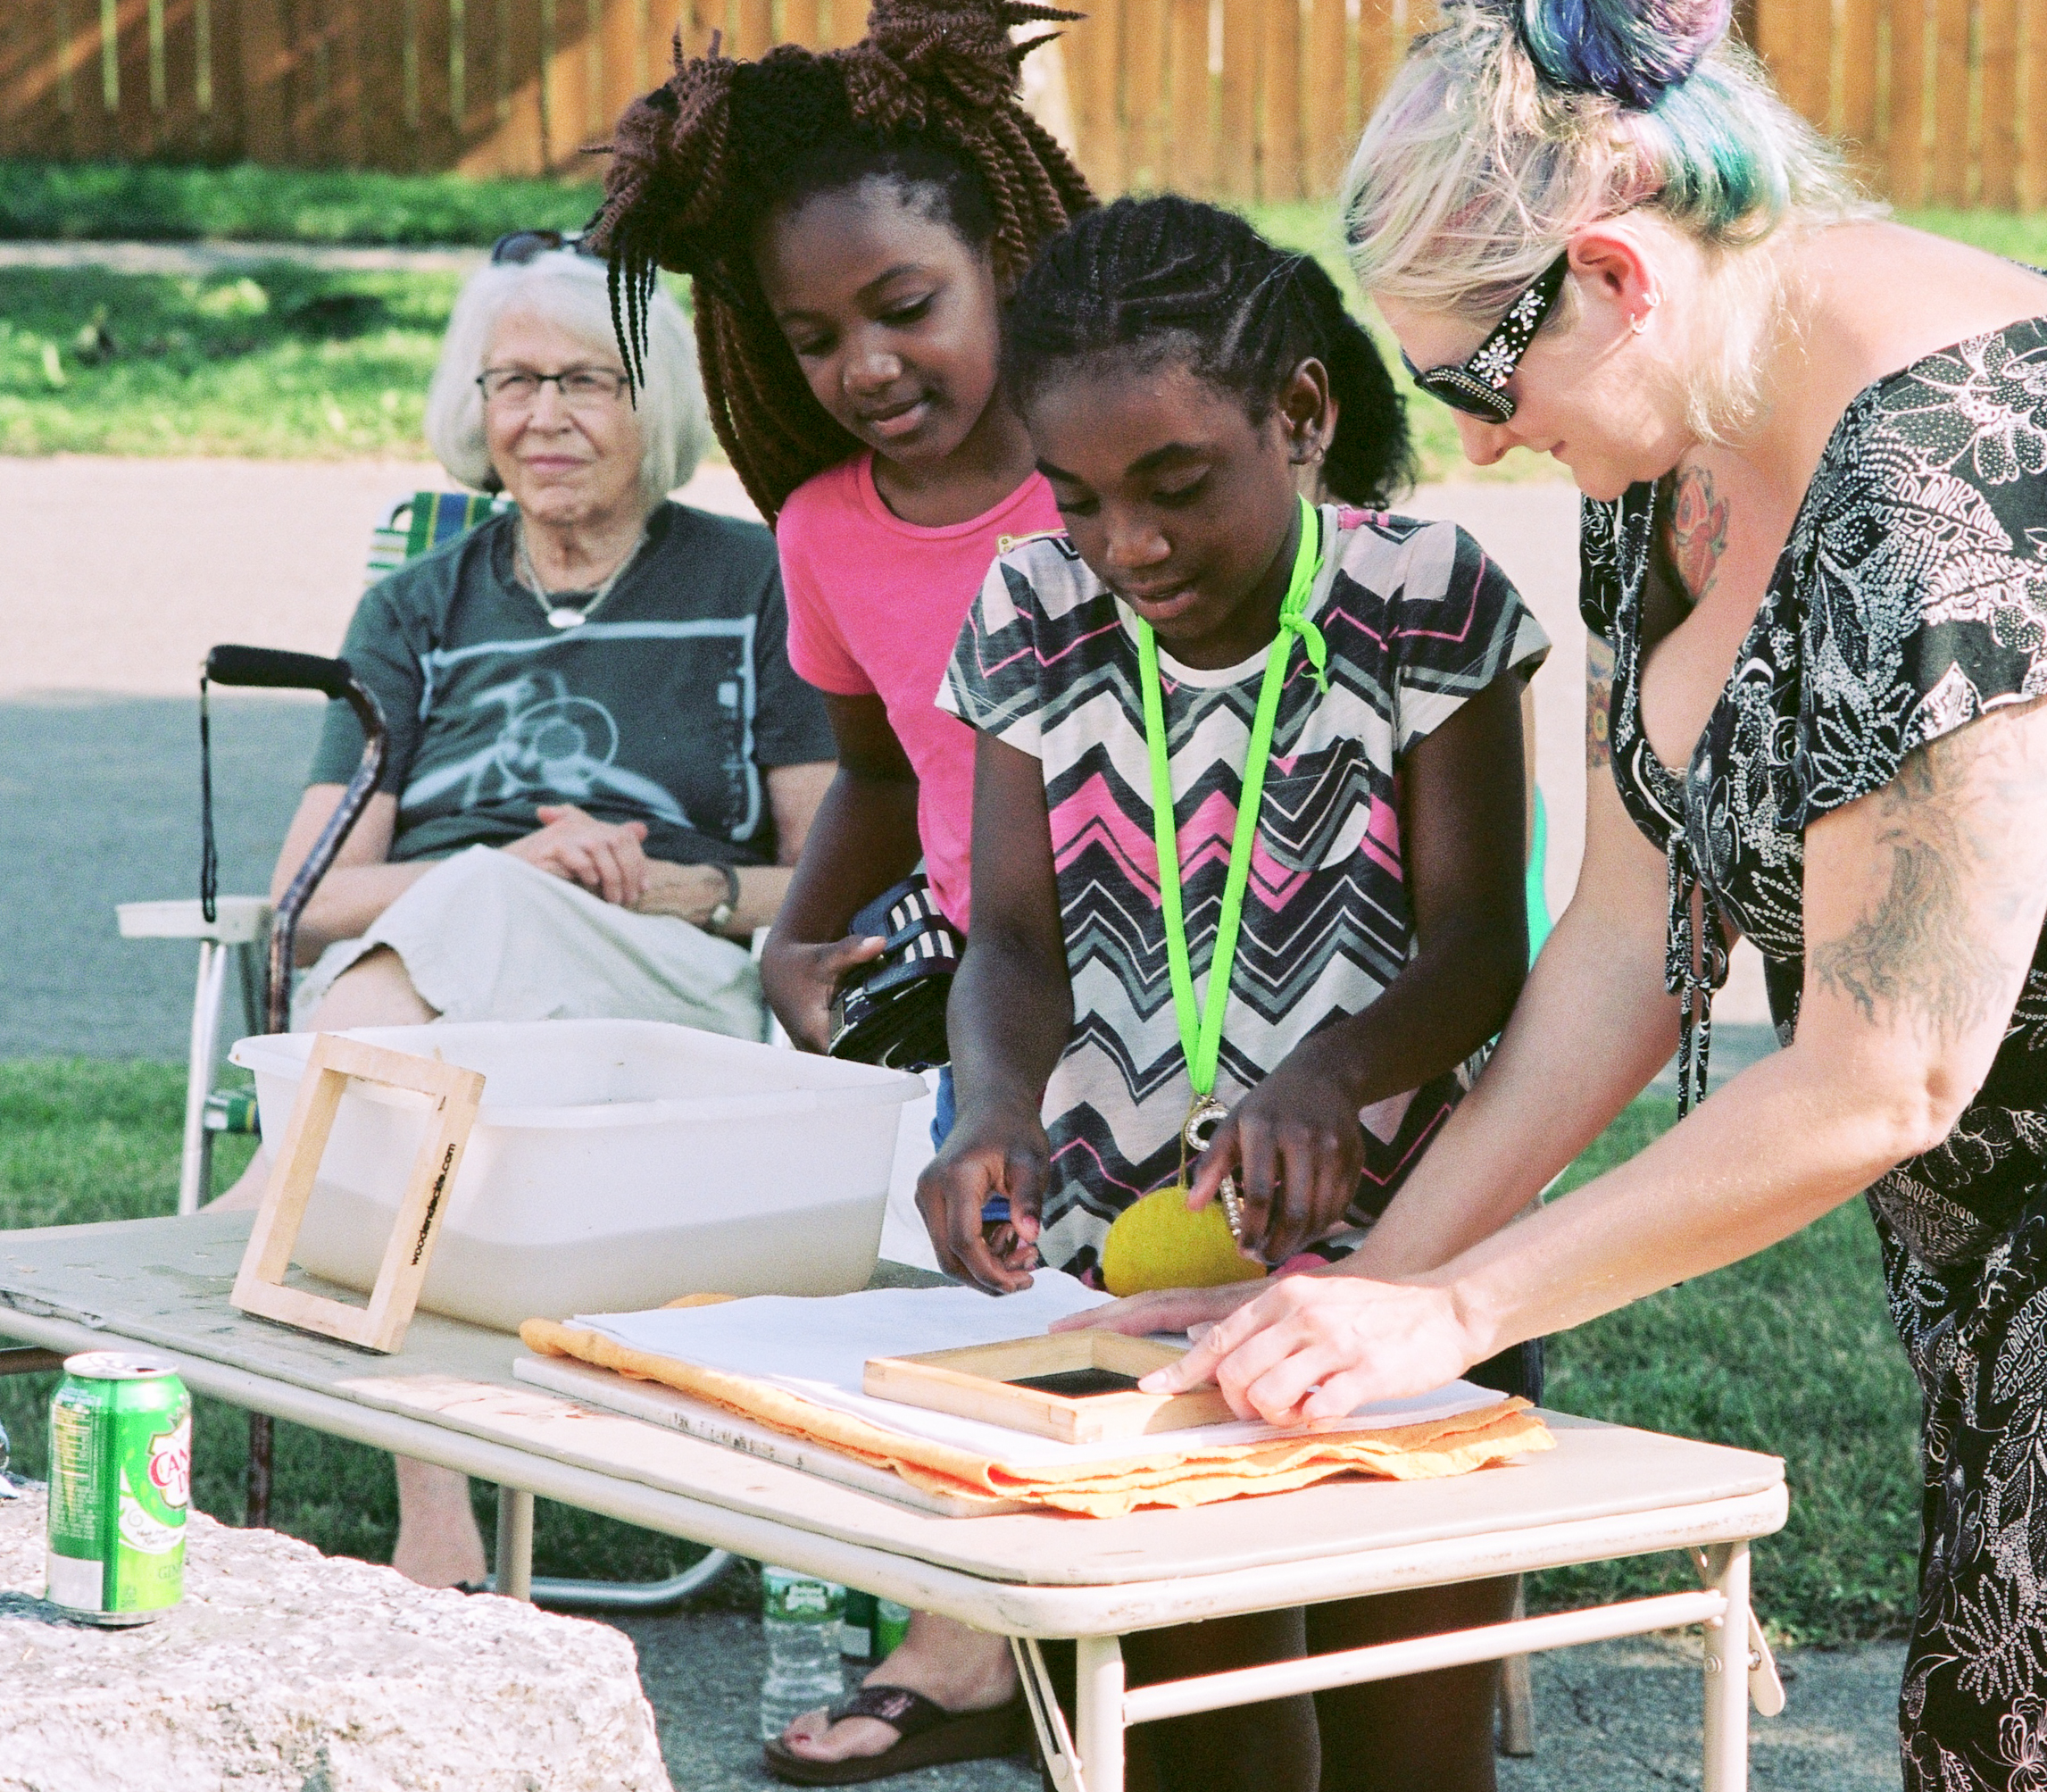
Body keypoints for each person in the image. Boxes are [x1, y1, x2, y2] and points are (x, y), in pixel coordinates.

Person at [1098, 4, 2047, 1788]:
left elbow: (1883, 1070)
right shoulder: (1669, 437)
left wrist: (1445, 1321)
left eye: (1472, 383)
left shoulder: (1950, 479)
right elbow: (1619, 947)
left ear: (1606, 273)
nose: (1485, 443)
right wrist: (1361, 1291)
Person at [928, 194, 1545, 1792]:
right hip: (1129, 1278)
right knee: (1200, 1736)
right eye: (1078, 501)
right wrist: (995, 1108)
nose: (1126, 546)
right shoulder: (1030, 616)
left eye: (1176, 485)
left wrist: (1333, 1077)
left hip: (1404, 1259)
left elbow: (1481, 943)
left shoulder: (1426, 596)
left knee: (1410, 1734)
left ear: (1302, 415)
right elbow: (1010, 940)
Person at [584, 8, 1093, 1779]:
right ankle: (994, 1646)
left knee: (1209, 1319)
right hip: (997, 990)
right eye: (813, 335)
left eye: (905, 306)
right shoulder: (824, 529)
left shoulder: (1116, 474)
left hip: (1207, 973)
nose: (865, 364)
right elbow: (883, 770)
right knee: (1009, 1321)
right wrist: (801, 930)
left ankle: (1231, 1644)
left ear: (1006, 262)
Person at [216, 234, 838, 1591]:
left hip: (666, 986)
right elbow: (308, 898)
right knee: (459, 1004)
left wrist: (690, 886)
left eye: (588, 382)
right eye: (513, 381)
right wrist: (508, 874)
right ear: (474, 405)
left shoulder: (759, 588)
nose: (543, 416)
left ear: (655, 403)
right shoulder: (413, 610)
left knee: (438, 985)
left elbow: (835, 884)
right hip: (446, 995)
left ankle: (270, 1210)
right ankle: (440, 1522)